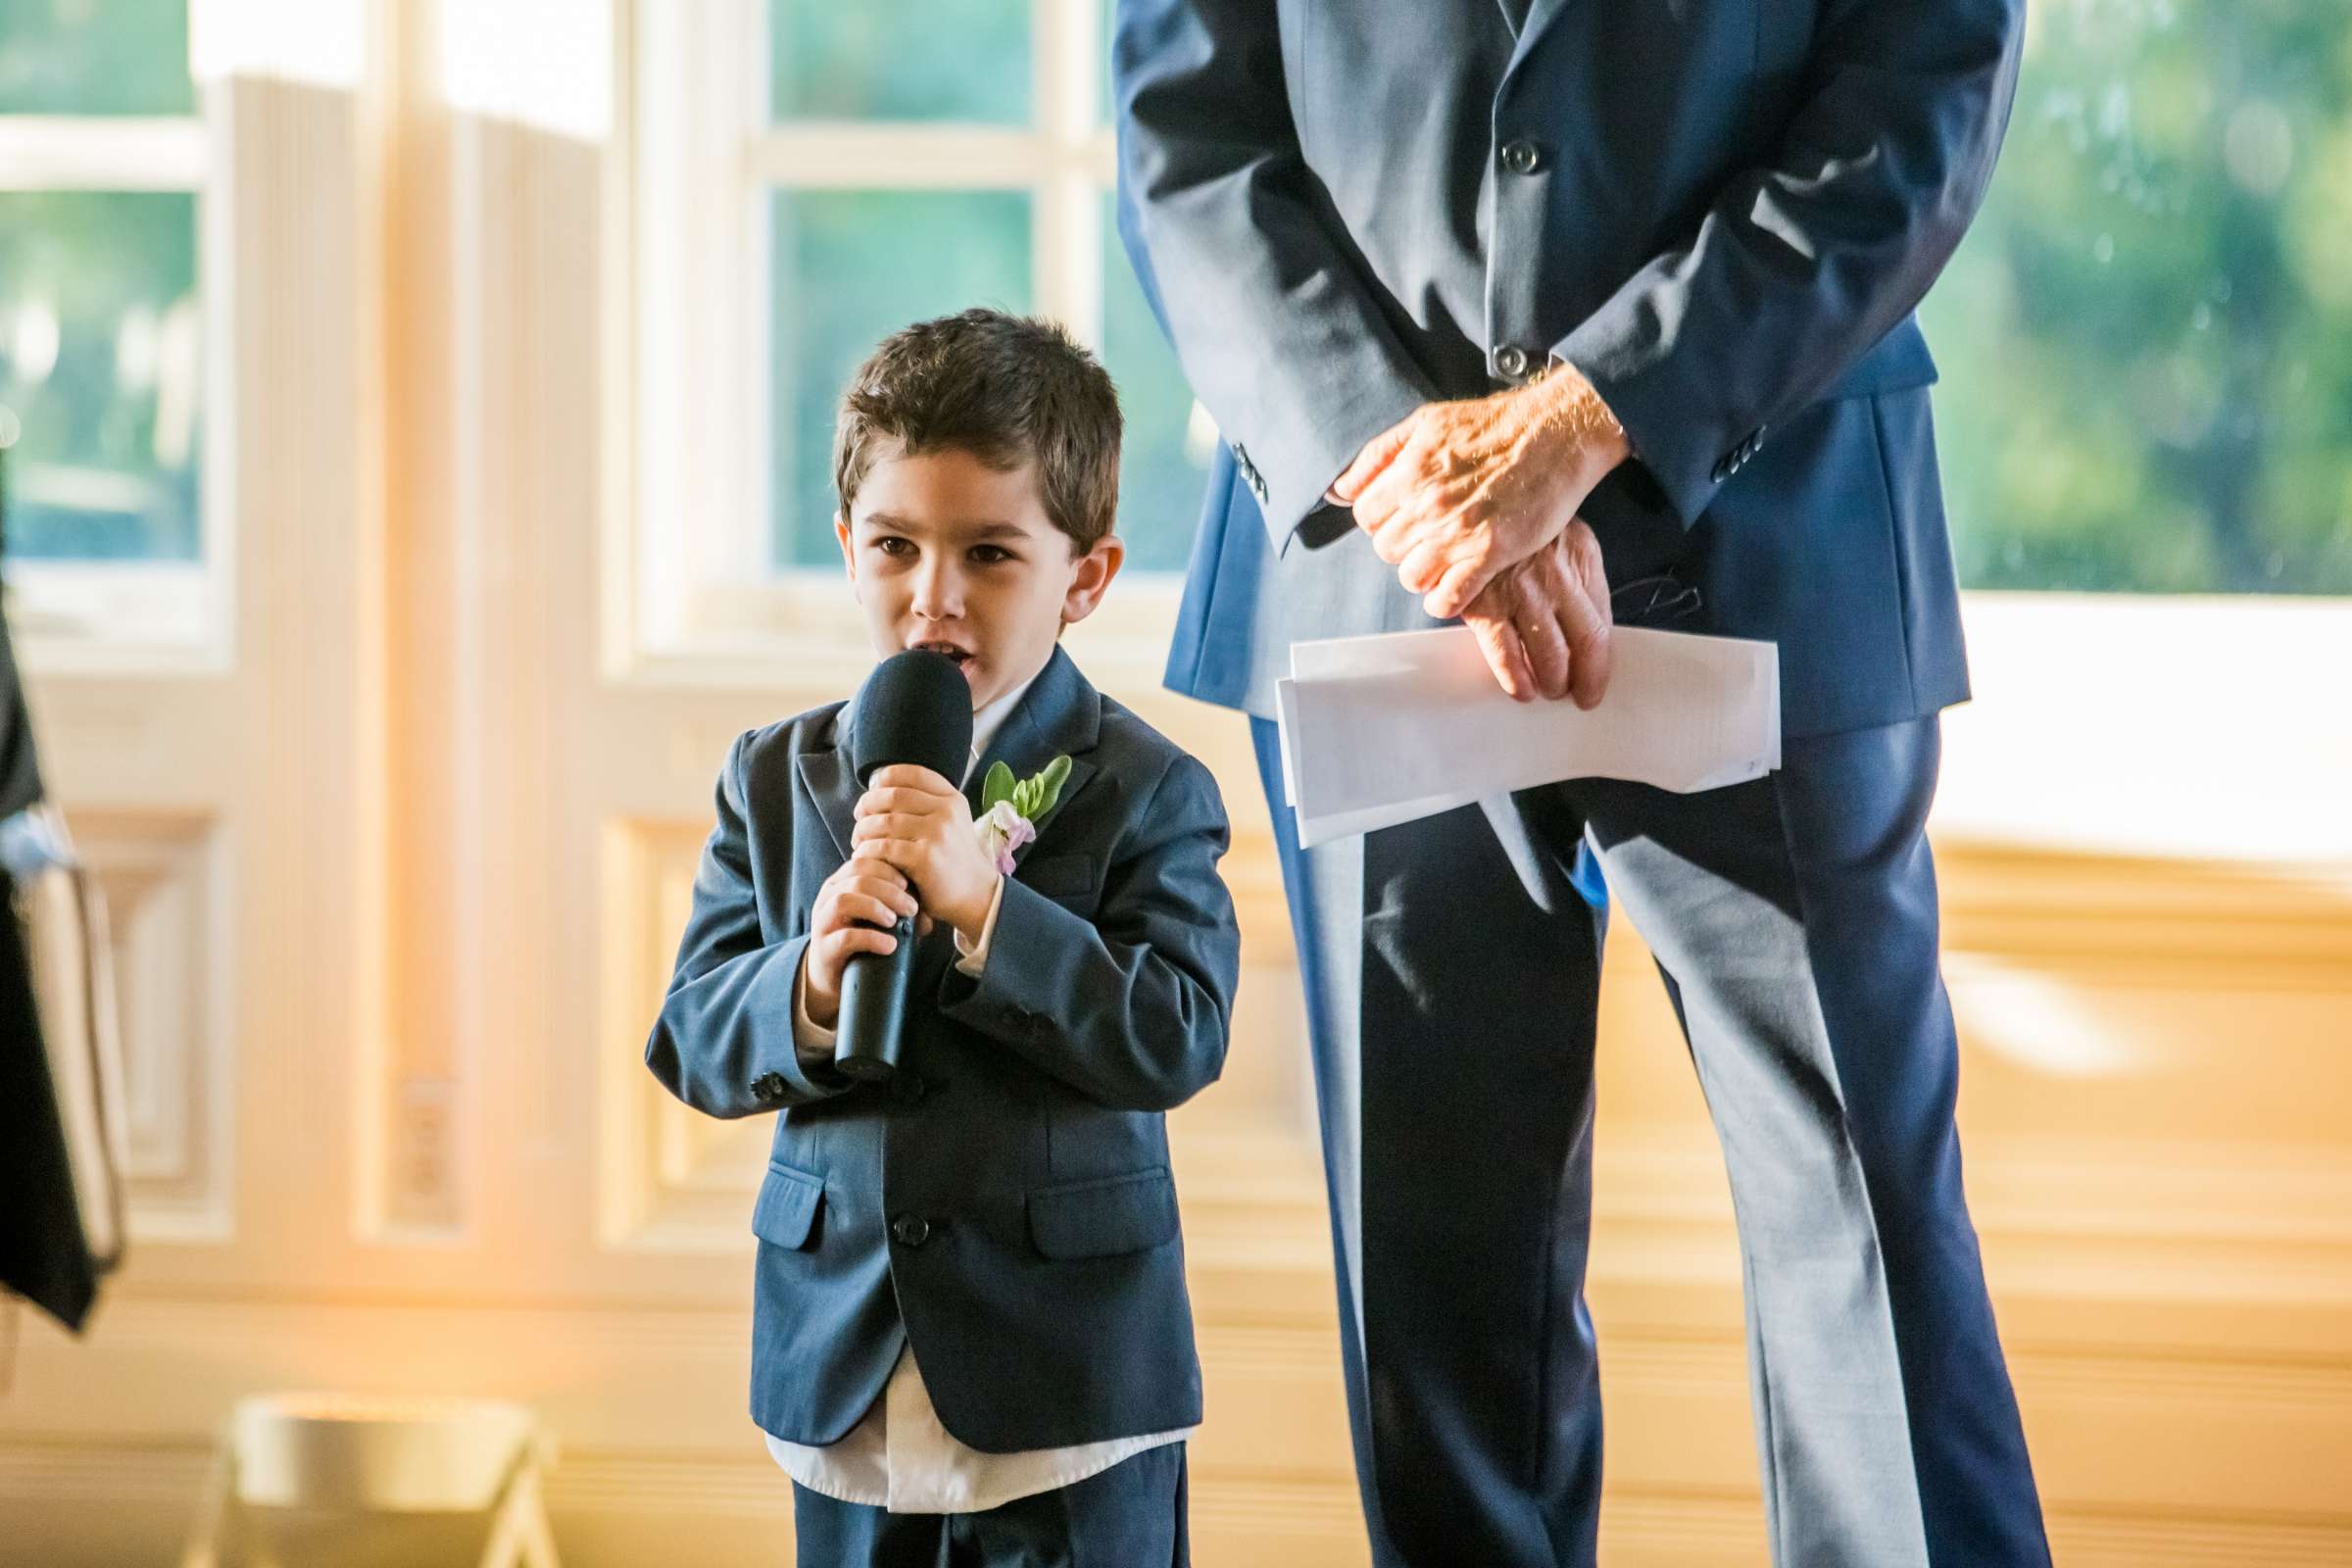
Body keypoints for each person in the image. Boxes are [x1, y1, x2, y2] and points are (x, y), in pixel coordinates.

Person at [1115, 1, 2050, 1565]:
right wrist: (1401, 466)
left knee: (1867, 1255)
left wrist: (1594, 414)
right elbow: (1184, 130)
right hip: (1369, 569)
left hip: (1779, 546)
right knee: (1435, 1302)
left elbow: (1924, 84)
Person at [644, 310, 1239, 1567]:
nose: (934, 600)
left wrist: (991, 913)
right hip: (845, 1378)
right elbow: (691, 1035)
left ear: (1086, 577)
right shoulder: (774, 776)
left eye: (991, 554)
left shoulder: (1148, 785)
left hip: (1067, 1395)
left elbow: (1178, 1033)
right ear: (848, 547)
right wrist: (806, 978)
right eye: (897, 547)